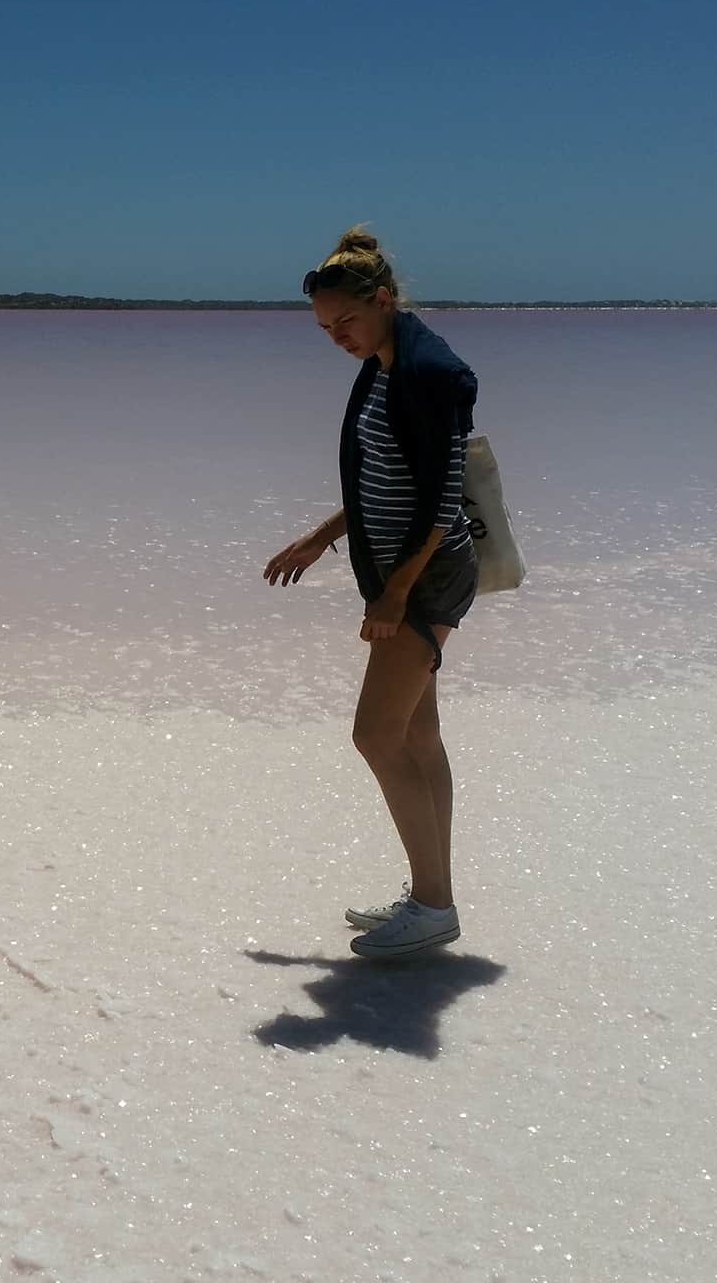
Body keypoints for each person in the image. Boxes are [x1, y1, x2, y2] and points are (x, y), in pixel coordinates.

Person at [263, 226, 480, 960]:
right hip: (400, 574)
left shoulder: (427, 372)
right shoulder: (383, 365)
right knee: (417, 734)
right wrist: (324, 536)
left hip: (423, 578)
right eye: (325, 329)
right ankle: (429, 896)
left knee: (374, 735)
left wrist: (394, 596)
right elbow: (382, 479)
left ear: (382, 299)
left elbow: (443, 497)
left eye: (346, 321)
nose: (337, 338)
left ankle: (434, 907)